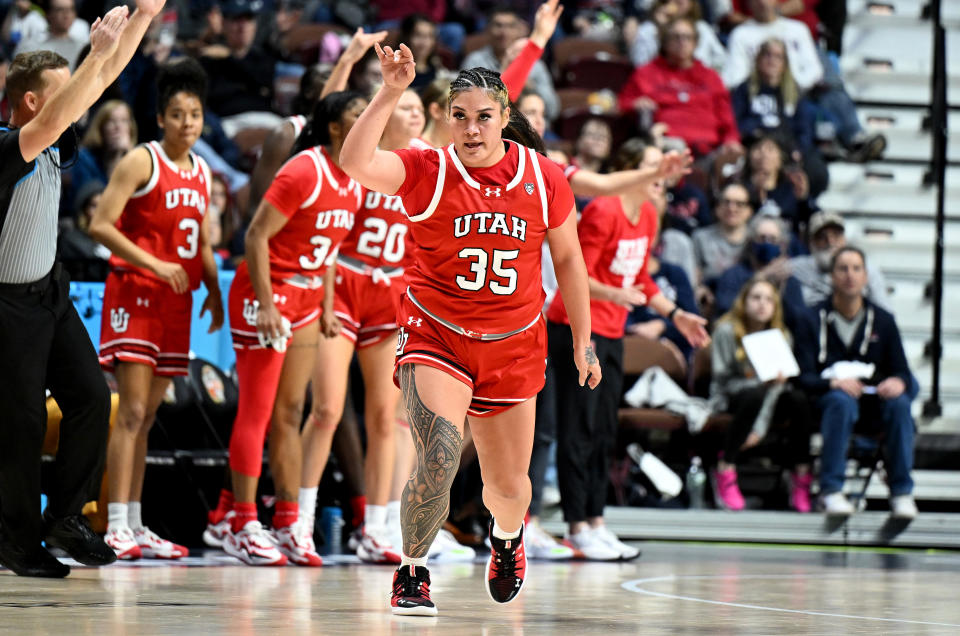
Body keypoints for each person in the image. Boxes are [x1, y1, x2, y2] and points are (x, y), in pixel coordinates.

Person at [340, 44, 600, 613]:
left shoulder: (544, 176)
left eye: (484, 116)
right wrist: (388, 90)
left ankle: (507, 539)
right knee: (437, 451)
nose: (472, 128)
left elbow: (572, 261)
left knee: (509, 491)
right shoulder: (426, 168)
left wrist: (583, 338)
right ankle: (412, 570)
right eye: (460, 116)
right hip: (438, 336)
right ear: (445, 118)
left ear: (505, 117)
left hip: (514, 345)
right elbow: (355, 163)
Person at [0, 0, 165, 579]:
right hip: (7, 307)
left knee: (93, 398)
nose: (77, 99)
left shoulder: (52, 137)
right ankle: (17, 544)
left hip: (50, 292)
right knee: (18, 426)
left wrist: (143, 18)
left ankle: (65, 517)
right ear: (30, 102)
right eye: (61, 89)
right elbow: (67, 105)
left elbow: (94, 87)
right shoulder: (7, 142)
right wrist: (92, 55)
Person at [546, 136, 709, 560]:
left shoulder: (651, 215)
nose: (660, 176)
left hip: (613, 332)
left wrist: (676, 315)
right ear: (632, 171)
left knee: (603, 430)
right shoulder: (603, 209)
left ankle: (597, 521)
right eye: (653, 166)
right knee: (577, 430)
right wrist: (615, 295)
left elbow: (642, 280)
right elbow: (574, 269)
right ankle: (576, 524)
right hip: (577, 328)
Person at [88, 58, 223, 560]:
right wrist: (157, 263)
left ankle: (137, 521)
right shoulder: (141, 161)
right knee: (133, 411)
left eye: (195, 114)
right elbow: (100, 225)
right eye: (178, 114)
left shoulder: (204, 170)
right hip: (135, 293)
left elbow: (202, 240)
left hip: (177, 301)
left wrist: (211, 288)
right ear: (161, 119)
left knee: (148, 420)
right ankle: (115, 523)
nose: (188, 123)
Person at [222, 91, 364, 566]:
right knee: (258, 411)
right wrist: (265, 304)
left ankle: (286, 521)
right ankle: (241, 522)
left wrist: (326, 304)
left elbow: (328, 251)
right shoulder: (304, 168)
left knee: (290, 411)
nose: (370, 121)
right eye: (359, 115)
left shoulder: (357, 179)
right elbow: (255, 235)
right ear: (336, 127)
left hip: (306, 298)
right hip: (266, 290)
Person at [298, 87, 424, 565]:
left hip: (390, 293)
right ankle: (300, 523)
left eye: (417, 108)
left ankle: (377, 527)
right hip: (346, 282)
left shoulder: (427, 165)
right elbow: (329, 236)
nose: (412, 114)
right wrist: (326, 300)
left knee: (386, 418)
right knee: (327, 409)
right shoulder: (361, 160)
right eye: (403, 106)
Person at [795, 246, 918, 519]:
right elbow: (802, 377)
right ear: (831, 277)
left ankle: (901, 493)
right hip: (829, 402)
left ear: (866, 277)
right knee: (841, 402)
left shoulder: (883, 321)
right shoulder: (810, 319)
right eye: (842, 269)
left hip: (874, 404)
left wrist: (898, 381)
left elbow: (903, 372)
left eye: (856, 269)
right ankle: (832, 490)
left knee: (900, 404)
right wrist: (833, 384)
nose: (849, 275)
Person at [709, 277, 813, 512]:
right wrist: (758, 381)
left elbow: (776, 386)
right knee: (754, 393)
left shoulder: (781, 336)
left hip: (770, 398)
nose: (762, 304)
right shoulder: (725, 330)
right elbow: (721, 379)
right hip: (731, 395)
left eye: (769, 300)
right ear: (744, 301)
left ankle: (801, 474)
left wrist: (760, 427)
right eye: (756, 298)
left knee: (798, 400)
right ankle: (725, 467)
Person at [618, 17, 741, 160]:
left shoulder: (710, 77)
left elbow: (726, 117)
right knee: (674, 148)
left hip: (709, 150)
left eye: (687, 37)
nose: (682, 42)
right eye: (676, 37)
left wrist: (731, 140)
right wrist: (636, 104)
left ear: (695, 43)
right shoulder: (647, 73)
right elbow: (623, 104)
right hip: (665, 147)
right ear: (664, 41)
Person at [730, 38, 827, 198]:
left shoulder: (794, 93)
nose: (771, 60)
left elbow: (804, 129)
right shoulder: (744, 89)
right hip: (754, 145)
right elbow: (736, 123)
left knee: (817, 170)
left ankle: (801, 207)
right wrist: (755, 132)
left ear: (785, 63)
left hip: (787, 148)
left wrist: (798, 149)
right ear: (758, 59)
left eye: (778, 56)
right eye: (767, 55)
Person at [460, 6, 560, 121]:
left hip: (529, 127)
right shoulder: (475, 61)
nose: (504, 32)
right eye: (498, 25)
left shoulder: (536, 66)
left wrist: (531, 86)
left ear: (519, 30)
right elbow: (466, 103)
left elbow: (553, 110)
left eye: (510, 26)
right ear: (487, 30)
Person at [714, 214, 807, 332]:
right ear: (751, 241)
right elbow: (724, 311)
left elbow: (799, 321)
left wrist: (781, 289)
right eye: (762, 238)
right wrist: (760, 278)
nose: (767, 243)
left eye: (773, 239)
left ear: (782, 246)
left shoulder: (788, 279)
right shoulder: (733, 275)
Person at [789, 210, 891, 313]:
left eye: (836, 235)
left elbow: (884, 312)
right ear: (812, 243)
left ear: (844, 239)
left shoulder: (864, 268)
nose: (830, 242)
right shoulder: (795, 268)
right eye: (822, 237)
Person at [63, 99, 137, 214]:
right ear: (101, 128)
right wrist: (117, 157)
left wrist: (128, 156)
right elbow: (94, 206)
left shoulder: (137, 159)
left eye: (124, 121)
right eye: (111, 121)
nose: (118, 127)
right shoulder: (85, 158)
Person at [627, 0, 727, 72]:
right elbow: (641, 66)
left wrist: (708, 74)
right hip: (662, 87)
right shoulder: (649, 30)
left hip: (698, 87)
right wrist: (662, 29)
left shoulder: (702, 28)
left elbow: (721, 59)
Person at [693, 182, 753, 289]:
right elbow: (695, 277)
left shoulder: (755, 240)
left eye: (739, 204)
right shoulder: (700, 238)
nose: (731, 208)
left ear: (749, 211)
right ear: (717, 208)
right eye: (726, 202)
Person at [13, 0, 88, 70]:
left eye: (70, 9)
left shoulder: (82, 46)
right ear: (48, 14)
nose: (66, 15)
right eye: (60, 10)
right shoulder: (30, 46)